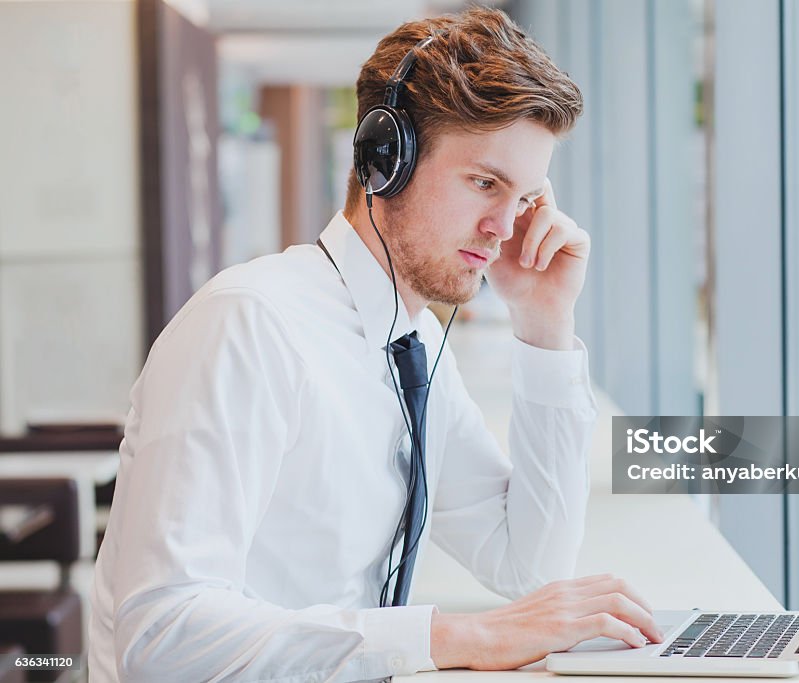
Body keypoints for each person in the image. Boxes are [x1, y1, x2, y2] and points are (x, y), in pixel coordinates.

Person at [88, 8, 662, 682]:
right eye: (486, 183)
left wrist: (544, 323)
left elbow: (529, 564)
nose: (505, 227)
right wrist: (454, 635)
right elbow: (163, 637)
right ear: (385, 159)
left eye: (526, 197)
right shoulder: (248, 326)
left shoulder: (410, 345)